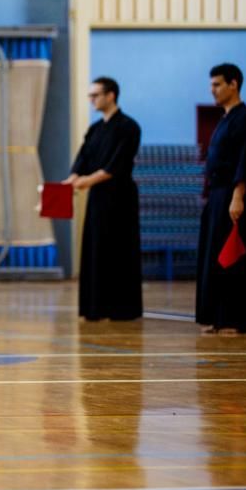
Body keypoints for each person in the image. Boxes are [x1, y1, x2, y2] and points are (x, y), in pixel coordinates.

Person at [65, 77, 143, 321]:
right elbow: (83, 159)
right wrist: (72, 180)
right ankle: (95, 307)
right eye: (90, 95)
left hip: (120, 198)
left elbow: (115, 166)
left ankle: (121, 309)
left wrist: (85, 181)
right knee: (96, 249)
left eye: (95, 95)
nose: (91, 100)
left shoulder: (129, 127)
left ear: (110, 96)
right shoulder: (95, 129)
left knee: (119, 251)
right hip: (98, 198)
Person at [196, 63, 246, 334]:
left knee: (234, 258)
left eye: (217, 84)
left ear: (233, 84)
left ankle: (238, 318)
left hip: (234, 196)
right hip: (217, 196)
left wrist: (238, 196)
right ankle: (218, 316)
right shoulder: (225, 119)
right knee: (215, 257)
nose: (212, 89)